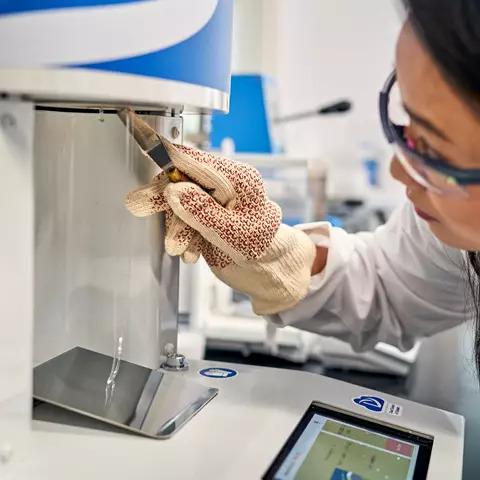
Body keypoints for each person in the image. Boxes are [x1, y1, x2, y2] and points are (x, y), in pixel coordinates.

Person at [126, 0, 480, 373]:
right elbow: (386, 287)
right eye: (407, 126)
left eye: (433, 148)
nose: (399, 170)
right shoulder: (453, 235)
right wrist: (274, 255)